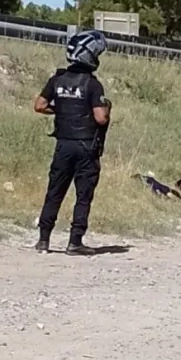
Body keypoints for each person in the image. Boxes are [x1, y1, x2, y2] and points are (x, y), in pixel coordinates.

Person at [33, 30, 111, 256]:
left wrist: (62, 109)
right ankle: (75, 241)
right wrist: (104, 108)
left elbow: (39, 105)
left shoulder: (57, 79)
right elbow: (100, 118)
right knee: (83, 195)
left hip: (63, 145)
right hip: (86, 146)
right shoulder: (93, 84)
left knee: (54, 191)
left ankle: (43, 240)